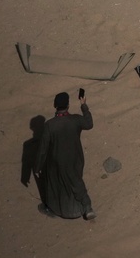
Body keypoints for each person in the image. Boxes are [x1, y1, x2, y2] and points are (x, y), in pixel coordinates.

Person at [34, 90, 96, 220]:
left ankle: (55, 208)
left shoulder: (50, 125)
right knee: (76, 181)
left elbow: (43, 149)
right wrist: (84, 105)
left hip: (57, 162)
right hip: (76, 159)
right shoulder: (76, 120)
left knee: (56, 185)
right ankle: (86, 207)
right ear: (68, 105)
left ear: (54, 105)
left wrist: (38, 166)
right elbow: (89, 124)